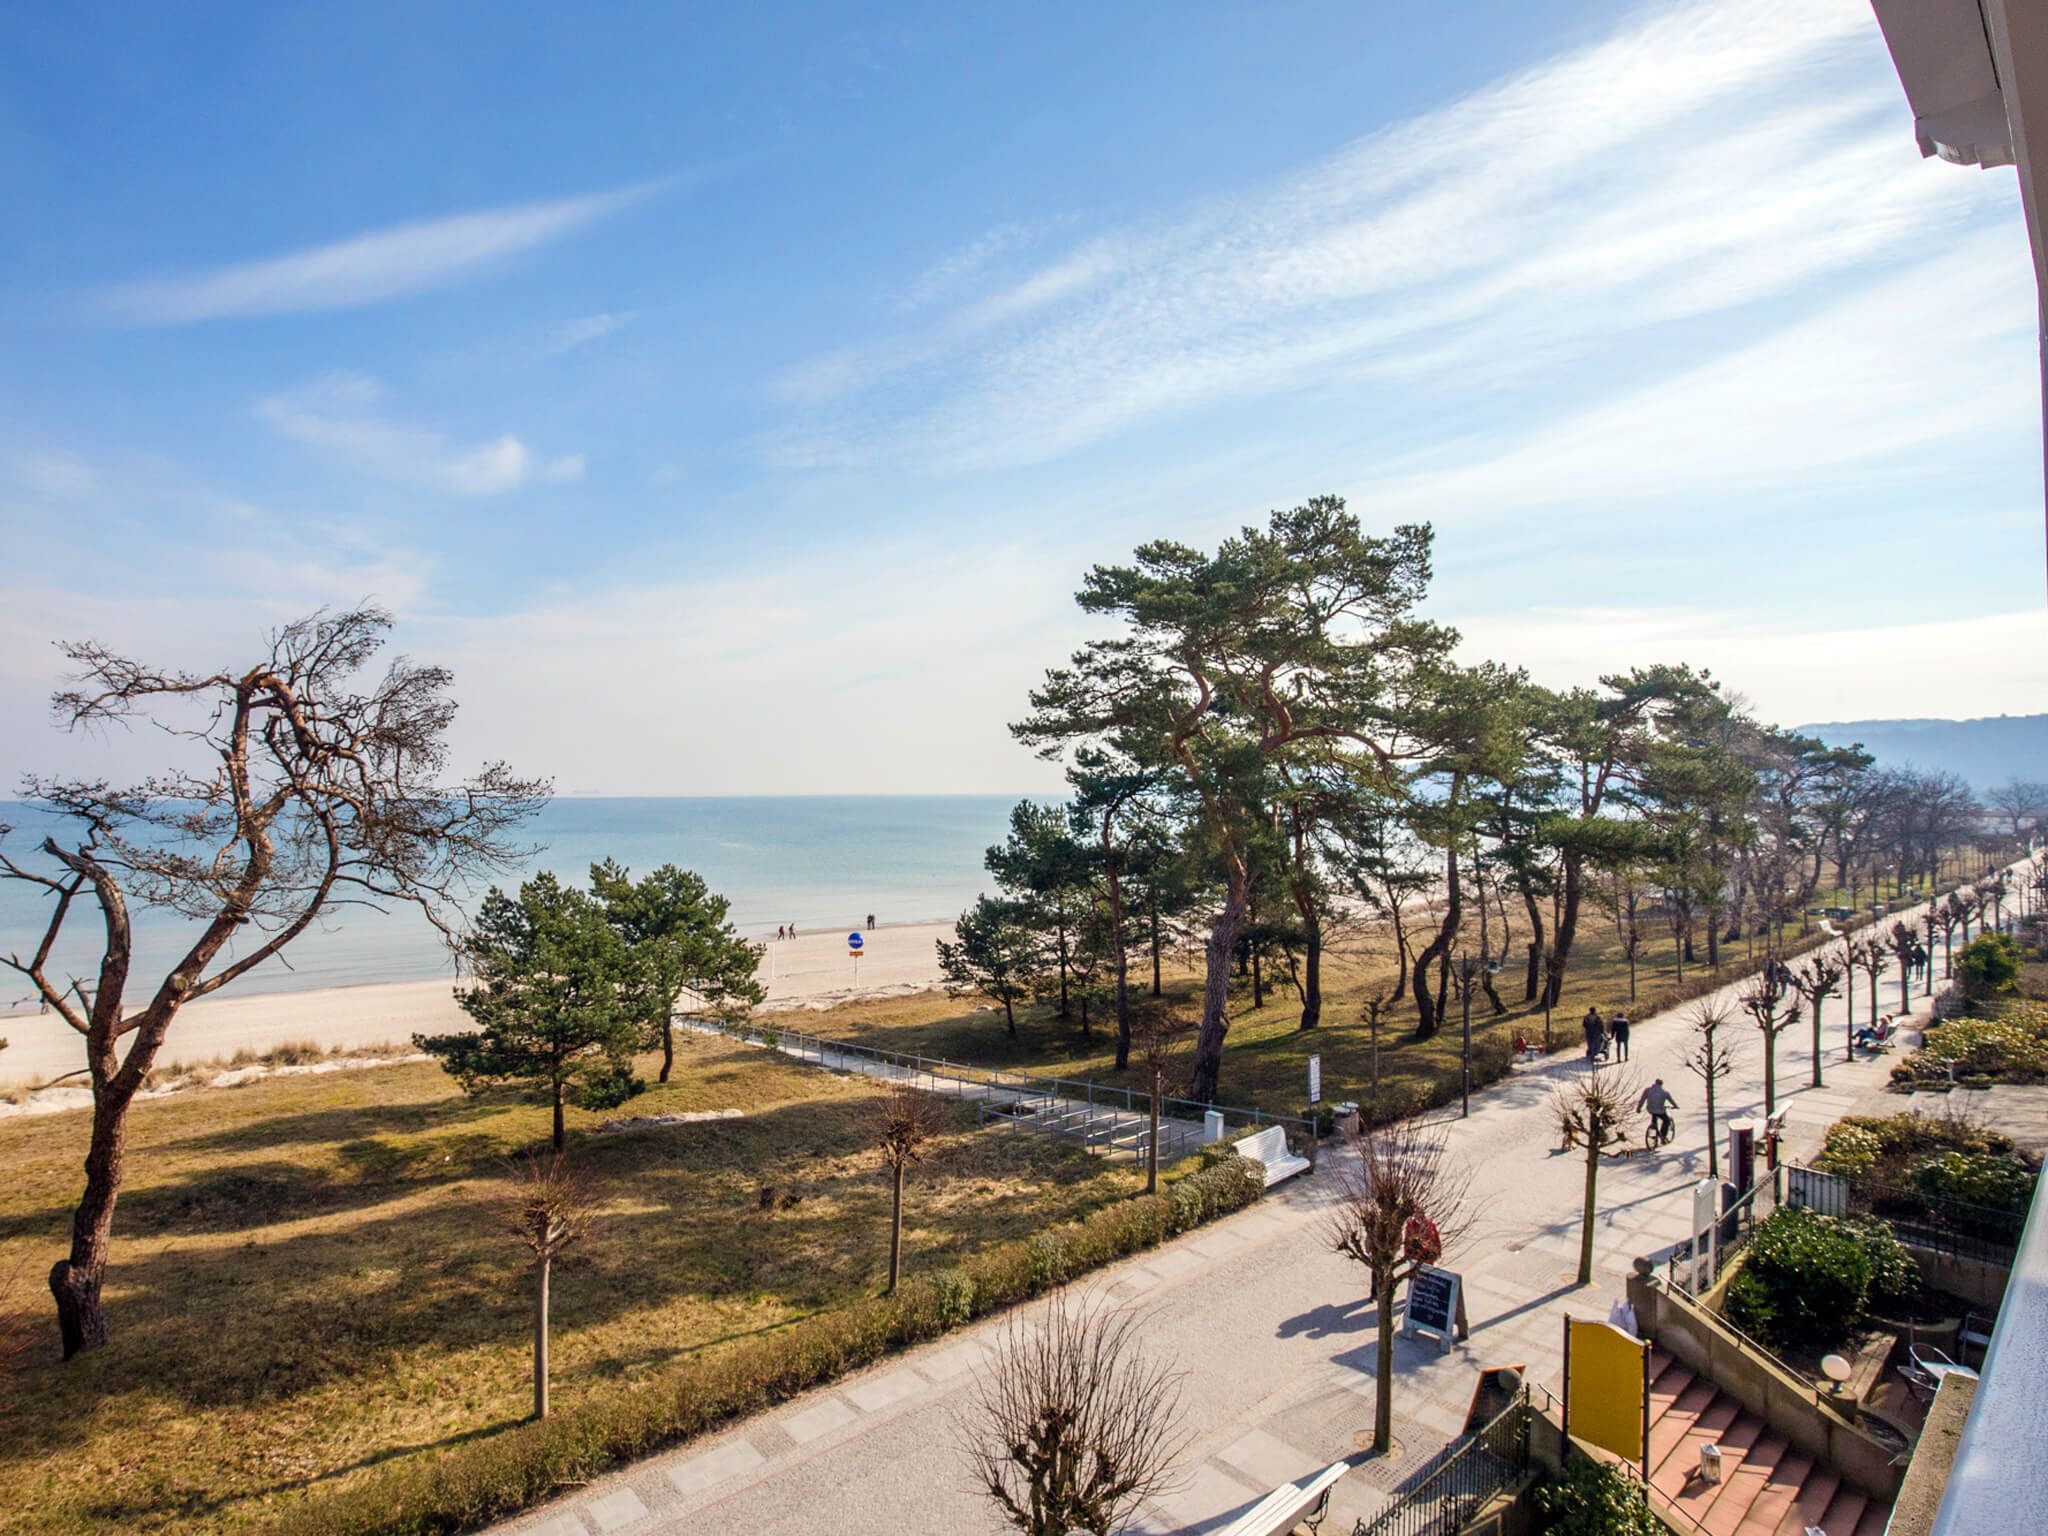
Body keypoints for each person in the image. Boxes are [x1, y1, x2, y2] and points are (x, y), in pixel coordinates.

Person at [1637, 1078, 1677, 1144]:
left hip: (1650, 1109)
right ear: (1661, 1084)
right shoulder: (1665, 1092)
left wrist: (1638, 1108)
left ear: (1655, 1083)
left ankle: (1653, 1128)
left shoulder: (1648, 1090)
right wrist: (1675, 1106)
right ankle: (1663, 1136)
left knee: (1654, 1115)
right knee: (1666, 1120)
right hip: (1660, 1110)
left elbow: (1642, 1100)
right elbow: (1671, 1100)